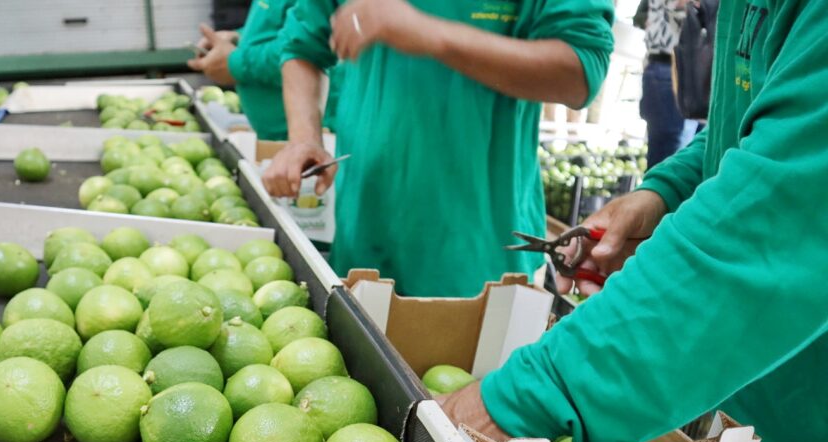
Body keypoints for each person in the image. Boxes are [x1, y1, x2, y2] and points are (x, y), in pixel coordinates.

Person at [439, 0, 828, 442]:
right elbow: (749, 129)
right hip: (752, 413)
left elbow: (767, 232)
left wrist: (514, 402)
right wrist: (661, 192)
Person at [262, 0, 614, 297]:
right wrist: (305, 138)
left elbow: (581, 71)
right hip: (364, 238)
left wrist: (431, 34)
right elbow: (303, 46)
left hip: (482, 258)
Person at [188, 6, 340, 141]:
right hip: (280, 142)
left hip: (312, 138)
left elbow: (306, 50)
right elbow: (279, 27)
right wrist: (238, 37)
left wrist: (235, 62)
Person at [634, 0, 699, 169]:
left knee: (689, 161)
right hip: (671, 67)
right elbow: (640, 17)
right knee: (671, 162)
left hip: (700, 71)